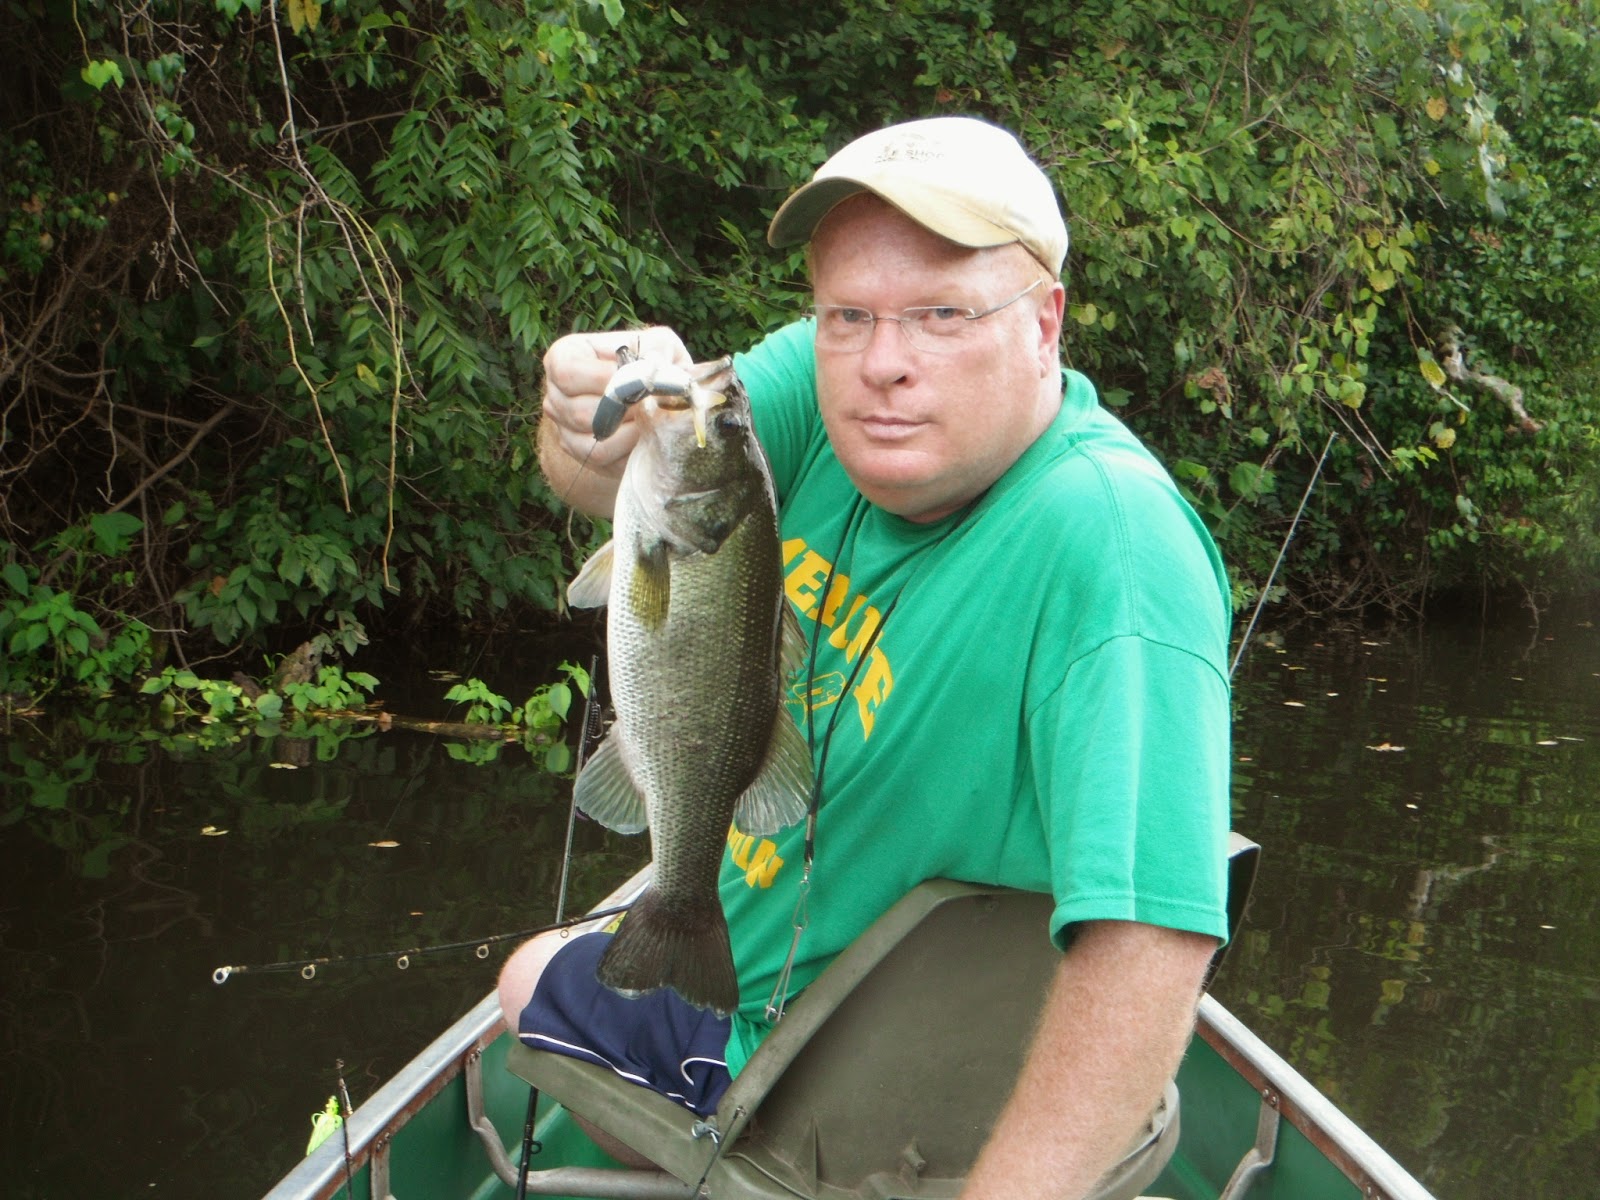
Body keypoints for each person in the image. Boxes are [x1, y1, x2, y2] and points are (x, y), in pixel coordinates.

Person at [498, 115, 1233, 1200]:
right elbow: (622, 474)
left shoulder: (1113, 550)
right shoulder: (823, 385)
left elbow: (1149, 944)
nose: (884, 362)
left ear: (1045, 323)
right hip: (762, 933)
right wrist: (587, 408)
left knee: (528, 975)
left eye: (943, 313)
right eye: (849, 313)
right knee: (607, 926)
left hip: (814, 1080)